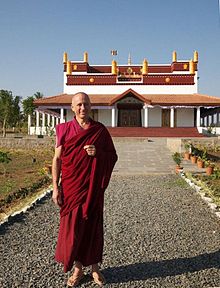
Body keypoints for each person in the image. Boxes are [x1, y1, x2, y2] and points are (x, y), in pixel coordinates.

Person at [52, 92, 117, 287]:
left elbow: (112, 156)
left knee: (93, 226)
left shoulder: (99, 130)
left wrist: (98, 153)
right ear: (72, 108)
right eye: (79, 104)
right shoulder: (64, 129)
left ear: (91, 107)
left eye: (86, 104)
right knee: (73, 229)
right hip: (72, 188)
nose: (82, 108)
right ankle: (78, 268)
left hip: (92, 189)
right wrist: (55, 188)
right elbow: (57, 159)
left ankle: (95, 267)